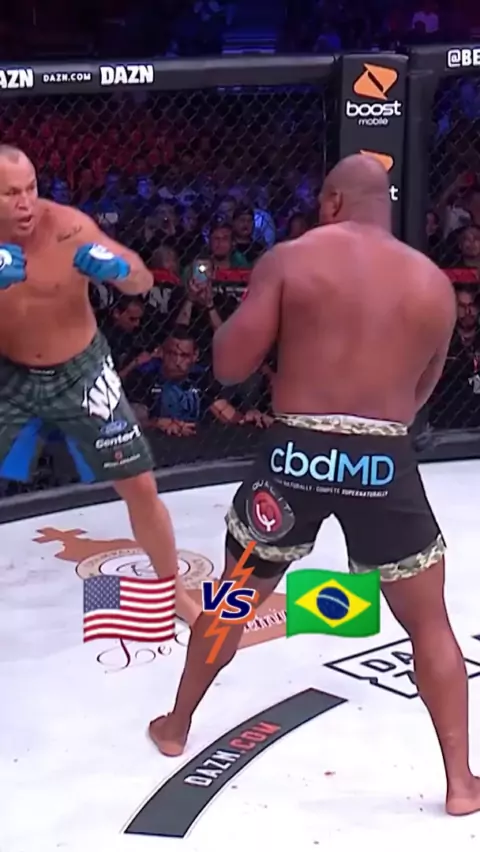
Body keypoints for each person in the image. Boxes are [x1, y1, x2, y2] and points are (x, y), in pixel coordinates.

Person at [149, 154, 480, 818]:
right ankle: (461, 782)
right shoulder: (434, 284)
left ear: (330, 202)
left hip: (294, 453)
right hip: (381, 458)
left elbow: (230, 366)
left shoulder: (291, 260)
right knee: (428, 622)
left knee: (235, 595)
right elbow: (420, 392)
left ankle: (177, 725)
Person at [0, 145, 200, 629]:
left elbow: (142, 279)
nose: (26, 203)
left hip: (81, 372)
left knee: (139, 484)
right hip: (9, 374)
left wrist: (117, 270)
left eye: (30, 188)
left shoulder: (68, 228)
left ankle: (173, 592)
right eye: (10, 193)